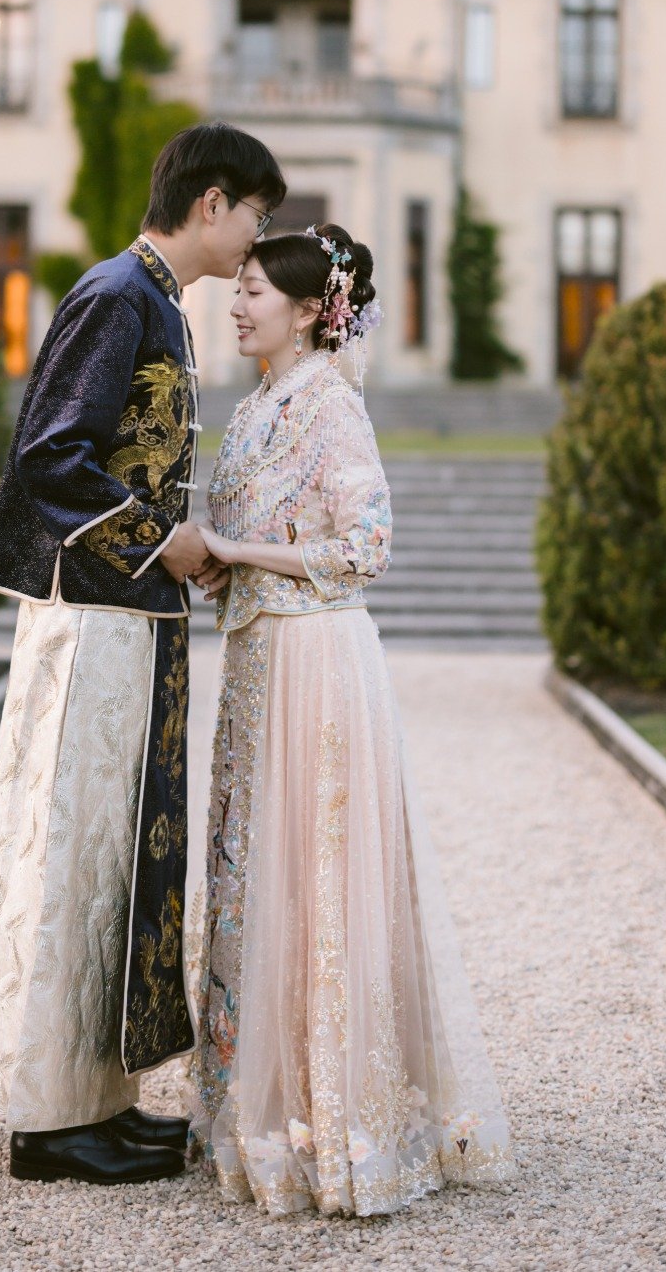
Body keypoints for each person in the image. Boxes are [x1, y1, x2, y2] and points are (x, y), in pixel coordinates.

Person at [0, 122, 286, 1186]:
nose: (256, 239)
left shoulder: (158, 304)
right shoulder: (116, 296)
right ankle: (48, 1121)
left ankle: (98, 1092)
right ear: (211, 202)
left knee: (120, 856)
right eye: (254, 216)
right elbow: (49, 457)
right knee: (77, 852)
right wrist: (168, 539)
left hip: (131, 619)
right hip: (91, 623)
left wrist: (189, 546)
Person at [188, 223, 518, 1217]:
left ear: (303, 308)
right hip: (256, 658)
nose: (237, 303)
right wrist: (219, 556)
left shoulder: (331, 405)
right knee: (259, 872)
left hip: (316, 661)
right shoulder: (249, 410)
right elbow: (251, 534)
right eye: (237, 288)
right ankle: (264, 1098)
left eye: (252, 291)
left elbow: (368, 543)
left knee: (316, 880)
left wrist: (241, 552)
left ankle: (337, 1118)